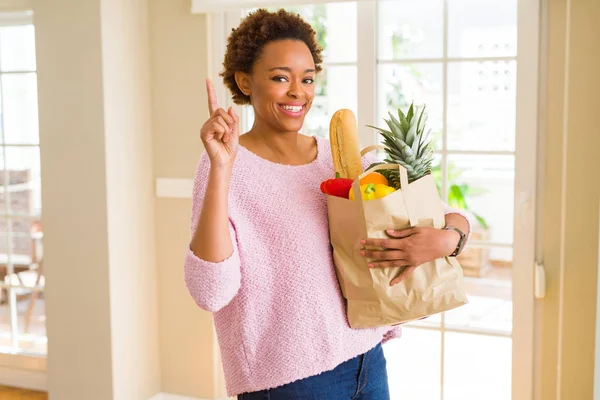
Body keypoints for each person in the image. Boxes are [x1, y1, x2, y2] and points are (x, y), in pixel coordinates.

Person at [184, 8, 471, 400]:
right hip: (288, 381)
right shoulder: (225, 166)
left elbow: (451, 217)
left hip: (367, 361)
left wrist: (447, 239)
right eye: (280, 78)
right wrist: (221, 167)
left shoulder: (340, 157)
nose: (297, 92)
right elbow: (211, 291)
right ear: (245, 81)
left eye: (307, 79)